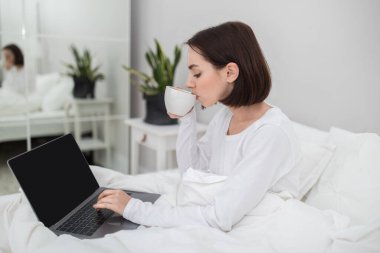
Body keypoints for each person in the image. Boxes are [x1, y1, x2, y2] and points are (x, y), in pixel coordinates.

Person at [94, 21, 302, 232]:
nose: (189, 83)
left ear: (230, 72)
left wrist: (135, 209)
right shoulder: (224, 117)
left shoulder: (270, 134)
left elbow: (220, 216)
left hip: (258, 229)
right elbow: (192, 172)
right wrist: (187, 116)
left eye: (197, 73)